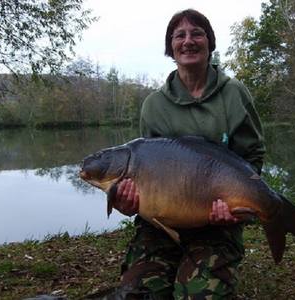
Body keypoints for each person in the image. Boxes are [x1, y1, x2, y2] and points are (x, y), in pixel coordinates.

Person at [112, 9, 265, 300]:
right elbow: (147, 166)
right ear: (171, 47)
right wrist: (131, 203)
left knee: (197, 296)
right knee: (138, 294)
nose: (188, 41)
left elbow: (253, 155)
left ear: (210, 42)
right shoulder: (154, 106)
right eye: (179, 35)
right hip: (161, 224)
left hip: (216, 222)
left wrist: (236, 210)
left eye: (197, 33)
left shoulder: (234, 94)